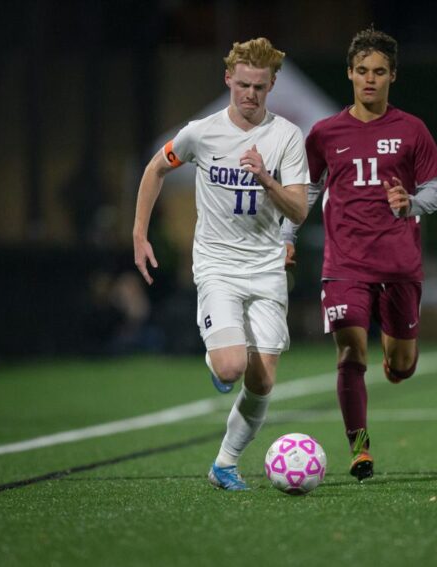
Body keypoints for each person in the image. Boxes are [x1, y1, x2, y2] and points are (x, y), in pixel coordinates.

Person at [133, 38, 309, 491]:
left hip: (268, 270)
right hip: (217, 267)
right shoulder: (201, 133)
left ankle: (224, 464)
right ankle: (218, 362)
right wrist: (139, 234)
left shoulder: (287, 137)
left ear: (272, 85)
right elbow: (155, 168)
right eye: (243, 85)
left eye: (260, 87)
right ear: (228, 79)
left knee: (263, 381)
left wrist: (265, 177)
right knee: (231, 367)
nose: (250, 95)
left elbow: (299, 210)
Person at [281, 28, 437, 482]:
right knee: (351, 354)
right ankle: (360, 449)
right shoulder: (325, 133)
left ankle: (396, 364)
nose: (369, 80)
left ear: (393, 75)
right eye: (361, 72)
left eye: (378, 72)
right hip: (345, 264)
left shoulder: (412, 129)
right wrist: (287, 235)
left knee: (403, 364)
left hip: (400, 265)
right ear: (350, 74)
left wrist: (410, 204)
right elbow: (309, 189)